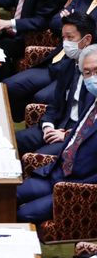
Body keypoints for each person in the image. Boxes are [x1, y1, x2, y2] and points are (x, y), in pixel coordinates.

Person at [16, 44, 97, 223]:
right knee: (7, 197)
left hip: (77, 187)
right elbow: (79, 134)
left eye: (96, 71)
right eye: (87, 73)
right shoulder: (92, 99)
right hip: (55, 172)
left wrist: (75, 188)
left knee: (23, 214)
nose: (93, 78)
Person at [15, 13, 95, 156]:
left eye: (70, 38)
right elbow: (55, 105)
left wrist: (66, 135)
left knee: (39, 157)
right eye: (63, 38)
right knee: (15, 140)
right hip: (57, 126)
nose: (66, 43)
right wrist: (47, 126)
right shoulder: (68, 64)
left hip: (79, 137)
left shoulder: (94, 72)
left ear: (87, 39)